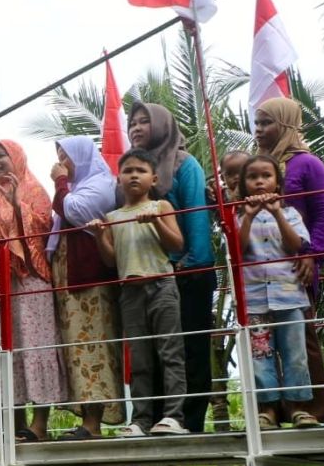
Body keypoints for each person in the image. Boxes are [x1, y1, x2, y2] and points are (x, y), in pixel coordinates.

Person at [127, 102, 214, 434]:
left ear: (162, 125)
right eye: (132, 123)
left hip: (188, 270)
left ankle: (188, 420)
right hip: (151, 273)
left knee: (189, 347)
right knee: (155, 350)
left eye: (144, 121)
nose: (136, 128)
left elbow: (196, 214)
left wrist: (193, 264)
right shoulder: (134, 170)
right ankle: (157, 418)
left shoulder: (183, 163)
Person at [89, 148, 188, 437]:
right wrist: (100, 236)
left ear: (153, 178)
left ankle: (174, 417)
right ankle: (141, 421)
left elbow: (177, 244)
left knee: (170, 352)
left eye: (141, 171)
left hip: (161, 285)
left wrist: (155, 221)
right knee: (140, 359)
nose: (134, 175)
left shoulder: (161, 207)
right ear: (118, 178)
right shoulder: (112, 217)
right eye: (128, 171)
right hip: (129, 290)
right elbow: (111, 261)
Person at [254, 97, 324, 425]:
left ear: (286, 123)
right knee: (263, 342)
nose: (258, 130)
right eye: (257, 123)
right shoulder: (260, 166)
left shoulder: (308, 164)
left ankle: (311, 412)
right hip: (260, 269)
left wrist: (312, 255)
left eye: (266, 123)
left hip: (297, 265)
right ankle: (272, 411)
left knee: (302, 339)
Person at [0, 140, 67, 443]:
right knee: (11, 349)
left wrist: (19, 205)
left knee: (37, 347)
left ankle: (39, 424)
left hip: (32, 281)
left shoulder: (34, 188)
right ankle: (16, 426)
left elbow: (45, 229)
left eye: (1, 155)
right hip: (5, 285)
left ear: (16, 157)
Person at [48, 136, 122, 441]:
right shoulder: (77, 187)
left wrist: (60, 182)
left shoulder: (102, 184)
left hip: (90, 280)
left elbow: (76, 211)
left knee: (94, 346)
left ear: (81, 155)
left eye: (65, 155)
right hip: (70, 280)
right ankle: (86, 421)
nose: (61, 162)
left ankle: (93, 423)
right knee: (76, 349)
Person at [235, 154, 315, 429]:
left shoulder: (291, 214)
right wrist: (248, 217)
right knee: (261, 357)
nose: (259, 182)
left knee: (295, 354)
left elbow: (295, 245)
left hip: (289, 297)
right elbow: (237, 250)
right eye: (252, 177)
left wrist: (277, 213)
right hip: (255, 301)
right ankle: (268, 410)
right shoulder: (238, 217)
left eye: (266, 176)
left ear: (277, 183)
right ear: (244, 184)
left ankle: (298, 408)